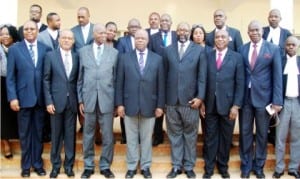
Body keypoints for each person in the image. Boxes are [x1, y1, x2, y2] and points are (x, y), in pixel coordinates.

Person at [115, 29, 165, 179]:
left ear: (148, 40)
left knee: (146, 139)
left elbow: (161, 84)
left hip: (150, 105)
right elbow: (119, 83)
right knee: (130, 138)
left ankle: (145, 166)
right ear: (133, 40)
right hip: (129, 105)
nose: (140, 40)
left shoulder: (157, 59)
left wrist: (160, 105)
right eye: (137, 38)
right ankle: (131, 167)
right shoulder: (124, 58)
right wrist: (120, 104)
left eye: (143, 38)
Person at [6, 20, 51, 177]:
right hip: (23, 99)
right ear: (22, 31)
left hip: (40, 99)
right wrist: (13, 98)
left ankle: (37, 164)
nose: (30, 31)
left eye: (32, 29)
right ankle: (25, 166)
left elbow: (47, 76)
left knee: (38, 133)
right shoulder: (14, 50)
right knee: (25, 134)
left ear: (37, 31)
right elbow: (10, 77)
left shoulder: (45, 49)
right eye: (26, 29)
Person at [238, 20, 283, 179]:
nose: (254, 33)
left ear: (262, 31)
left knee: (262, 134)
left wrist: (277, 101)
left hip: (265, 99)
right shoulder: (242, 49)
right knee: (245, 133)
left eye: (257, 30)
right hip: (245, 99)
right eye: (251, 30)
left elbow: (277, 77)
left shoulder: (273, 49)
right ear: (248, 32)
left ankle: (259, 167)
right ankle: (246, 166)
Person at [164, 22, 207, 179]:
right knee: (174, 135)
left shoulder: (199, 50)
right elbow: (164, 76)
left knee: (190, 135)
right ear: (176, 32)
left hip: (191, 102)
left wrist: (200, 98)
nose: (182, 32)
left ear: (189, 32)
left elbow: (202, 77)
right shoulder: (168, 50)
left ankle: (189, 166)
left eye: (185, 30)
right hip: (171, 101)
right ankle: (176, 166)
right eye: (180, 29)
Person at [201, 30, 245, 179]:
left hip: (228, 106)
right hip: (210, 105)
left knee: (226, 138)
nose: (220, 39)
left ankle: (223, 167)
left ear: (228, 40)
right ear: (214, 40)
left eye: (223, 37)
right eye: (217, 37)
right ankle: (209, 168)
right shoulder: (207, 56)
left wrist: (236, 105)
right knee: (210, 138)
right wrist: (202, 102)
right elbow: (203, 81)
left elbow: (240, 83)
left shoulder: (237, 58)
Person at [77, 23, 118, 179]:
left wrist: (116, 102)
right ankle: (88, 166)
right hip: (88, 100)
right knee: (88, 135)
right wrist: (80, 99)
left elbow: (116, 79)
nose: (103, 35)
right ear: (93, 34)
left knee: (107, 136)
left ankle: (105, 165)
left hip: (107, 101)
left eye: (104, 33)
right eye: (100, 33)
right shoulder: (83, 52)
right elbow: (79, 79)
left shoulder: (114, 53)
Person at [43, 29, 79, 178]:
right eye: (63, 38)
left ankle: (69, 166)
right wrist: (48, 101)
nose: (66, 40)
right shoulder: (50, 56)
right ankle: (55, 166)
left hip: (72, 103)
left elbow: (78, 80)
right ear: (59, 40)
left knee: (70, 136)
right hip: (56, 103)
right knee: (56, 136)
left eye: (69, 38)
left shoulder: (77, 57)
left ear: (73, 41)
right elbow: (46, 80)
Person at [262, 9, 292, 146]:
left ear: (280, 18)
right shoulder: (262, 31)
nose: (273, 18)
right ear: (268, 18)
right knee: (265, 103)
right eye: (271, 16)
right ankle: (266, 131)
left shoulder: (286, 33)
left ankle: (274, 134)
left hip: (280, 73)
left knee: (277, 102)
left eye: (276, 16)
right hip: (264, 73)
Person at [272, 36, 300, 179]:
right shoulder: (280, 61)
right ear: (284, 46)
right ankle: (279, 168)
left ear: (297, 46)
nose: (290, 47)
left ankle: (294, 168)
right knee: (280, 137)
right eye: (288, 44)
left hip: (297, 104)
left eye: (293, 45)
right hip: (282, 104)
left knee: (297, 137)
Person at [148, 13, 177, 146]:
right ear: (160, 23)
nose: (164, 22)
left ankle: (173, 135)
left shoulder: (177, 36)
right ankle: (158, 135)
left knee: (172, 107)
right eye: (163, 20)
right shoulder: (153, 38)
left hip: (174, 77)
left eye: (167, 20)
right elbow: (149, 56)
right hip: (157, 76)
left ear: (171, 23)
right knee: (158, 105)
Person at [116, 18, 141, 144]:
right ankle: (125, 136)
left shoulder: (145, 41)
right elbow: (120, 59)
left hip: (141, 81)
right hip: (126, 80)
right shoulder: (121, 41)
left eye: (136, 26)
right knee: (125, 110)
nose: (134, 28)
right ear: (128, 28)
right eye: (131, 26)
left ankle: (139, 137)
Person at [0, 24, 20, 159]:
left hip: (17, 83)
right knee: (2, 115)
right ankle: (5, 143)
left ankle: (17, 137)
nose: (4, 36)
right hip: (1, 83)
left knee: (16, 112)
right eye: (2, 34)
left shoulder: (19, 48)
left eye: (7, 34)